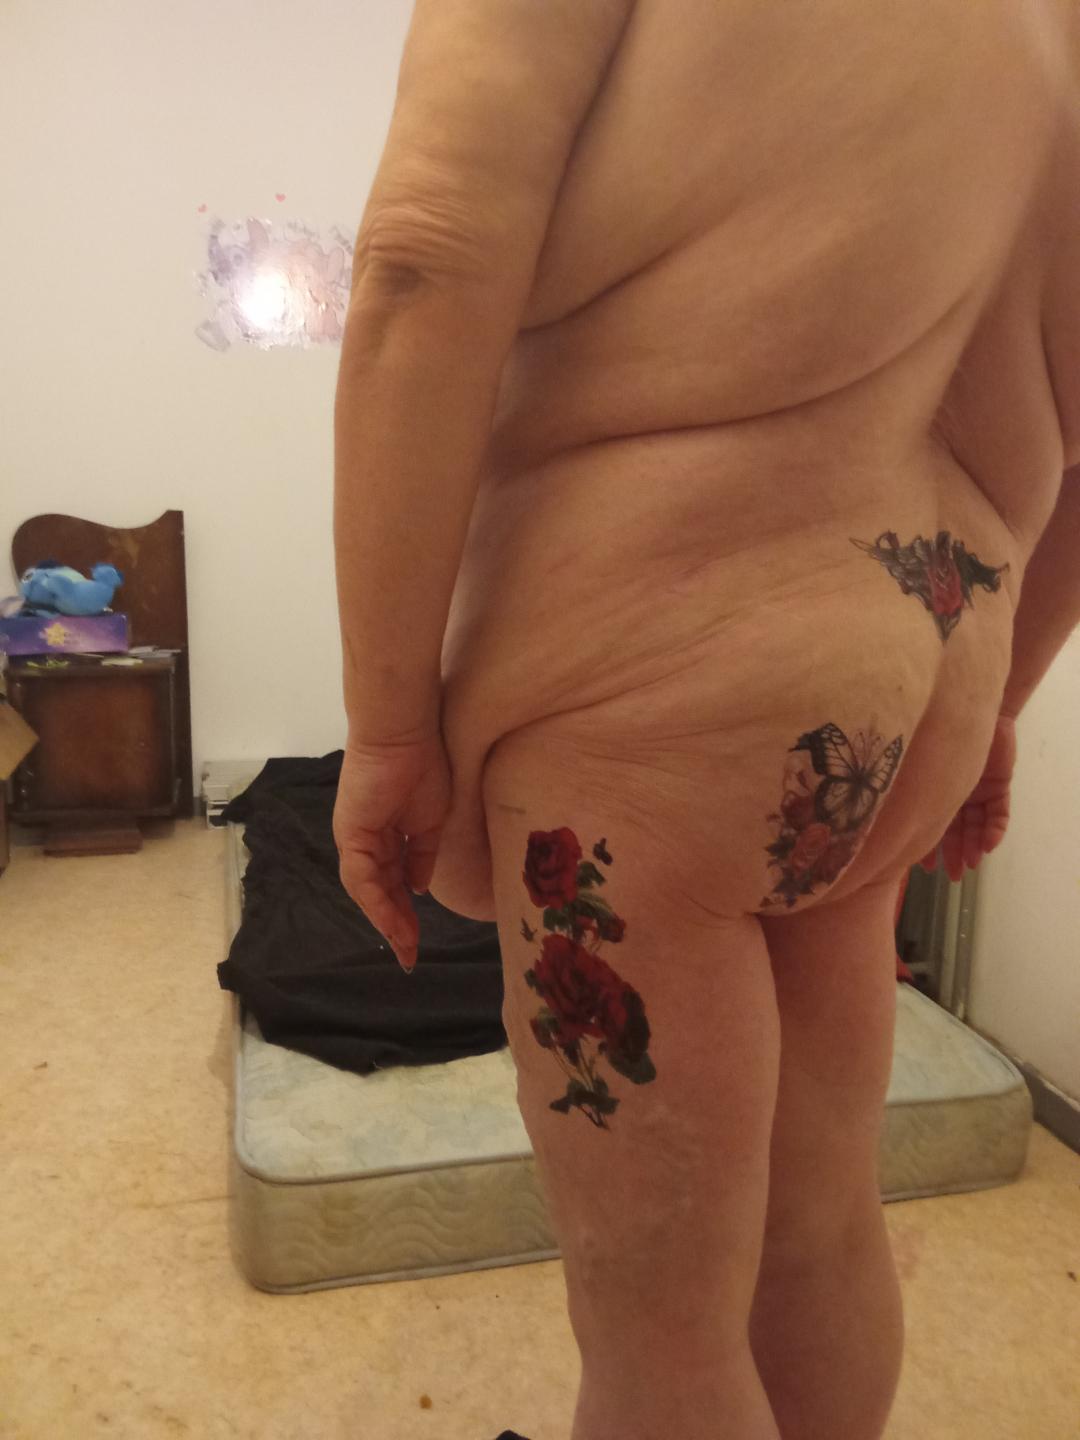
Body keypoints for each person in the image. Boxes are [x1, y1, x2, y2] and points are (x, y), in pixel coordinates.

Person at [331, 3, 1080, 1437]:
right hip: (917, 694)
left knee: (658, 1332)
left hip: (661, 703)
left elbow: (426, 257)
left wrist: (385, 731)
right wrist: (1002, 703)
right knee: (819, 1224)